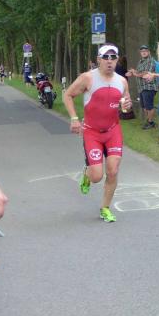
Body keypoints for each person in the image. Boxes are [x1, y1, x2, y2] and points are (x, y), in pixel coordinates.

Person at [63, 43, 132, 223]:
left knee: (113, 170)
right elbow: (68, 95)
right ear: (98, 60)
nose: (109, 61)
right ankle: (87, 174)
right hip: (92, 132)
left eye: (113, 57)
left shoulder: (122, 81)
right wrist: (74, 118)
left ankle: (105, 208)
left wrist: (126, 105)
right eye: (105, 57)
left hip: (113, 131)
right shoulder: (87, 78)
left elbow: (126, 104)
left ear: (117, 60)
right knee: (96, 176)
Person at [127, 44, 158, 129]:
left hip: (149, 87)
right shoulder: (141, 61)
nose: (143, 53)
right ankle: (149, 121)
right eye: (142, 51)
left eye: (145, 51)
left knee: (149, 106)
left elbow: (146, 73)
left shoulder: (150, 60)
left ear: (149, 52)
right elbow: (139, 72)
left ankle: (150, 122)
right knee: (144, 107)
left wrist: (135, 73)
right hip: (141, 87)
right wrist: (133, 71)